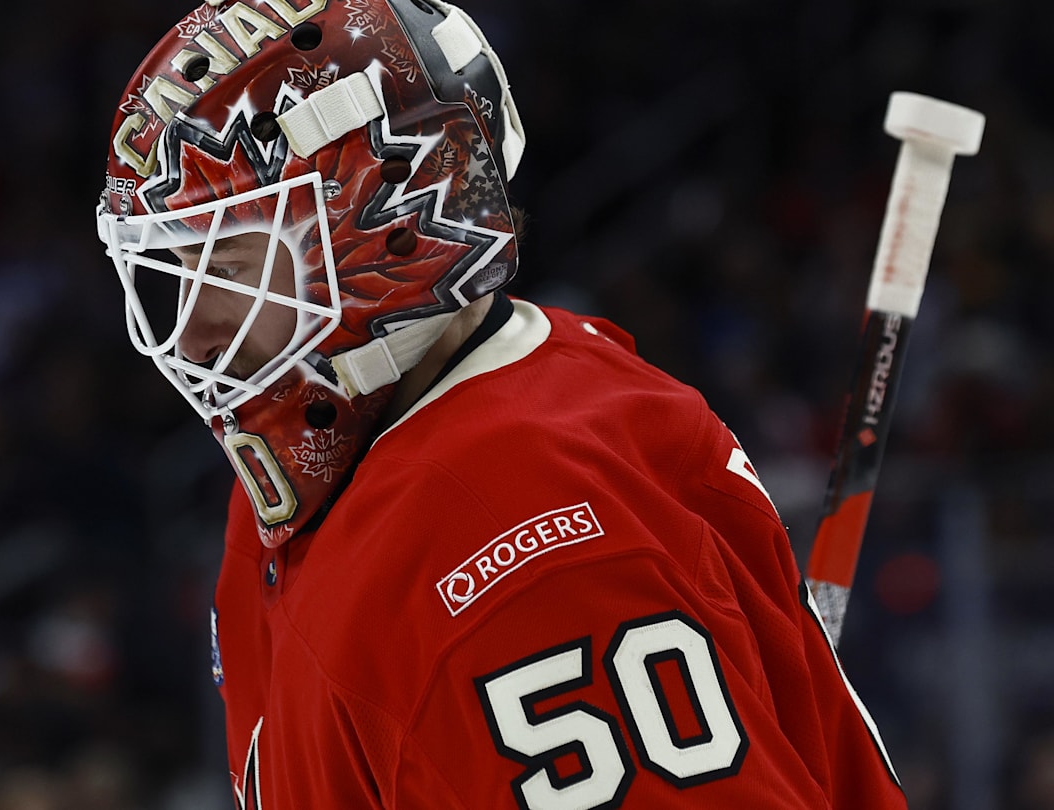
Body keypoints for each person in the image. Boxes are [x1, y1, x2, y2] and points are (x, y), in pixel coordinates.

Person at [96, 0, 907, 806]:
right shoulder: (314, 481)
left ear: (382, 223)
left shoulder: (516, 541)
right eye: (180, 277)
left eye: (230, 269)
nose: (195, 338)